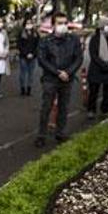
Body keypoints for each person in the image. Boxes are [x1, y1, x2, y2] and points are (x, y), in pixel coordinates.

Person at [35, 12, 83, 147]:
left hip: (67, 79)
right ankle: (41, 135)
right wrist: (57, 73)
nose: (63, 26)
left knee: (64, 107)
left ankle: (60, 133)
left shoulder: (73, 39)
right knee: (46, 107)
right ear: (53, 25)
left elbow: (78, 58)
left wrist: (68, 72)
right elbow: (42, 59)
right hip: (50, 79)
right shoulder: (46, 41)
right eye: (59, 23)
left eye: (65, 23)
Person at [86, 17, 108, 119]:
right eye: (107, 25)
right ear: (101, 26)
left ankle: (105, 110)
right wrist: (102, 64)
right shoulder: (95, 38)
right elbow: (93, 54)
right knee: (93, 91)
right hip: (96, 69)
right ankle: (91, 110)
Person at [17, 19, 39, 96]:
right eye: (27, 23)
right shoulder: (21, 33)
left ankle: (29, 89)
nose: (29, 25)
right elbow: (19, 45)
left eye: (30, 23)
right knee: (23, 73)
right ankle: (22, 89)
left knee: (31, 74)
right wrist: (26, 54)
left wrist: (33, 53)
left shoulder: (35, 33)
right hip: (23, 56)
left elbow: (38, 45)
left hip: (33, 57)